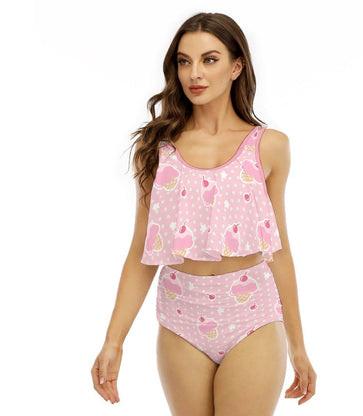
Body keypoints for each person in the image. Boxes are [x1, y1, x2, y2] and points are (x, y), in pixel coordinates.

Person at [91, 11, 316, 414]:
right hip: (181, 317)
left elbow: (278, 250)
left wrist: (298, 347)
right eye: (184, 61)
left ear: (237, 66)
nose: (194, 73)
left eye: (209, 59)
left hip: (252, 317)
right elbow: (142, 251)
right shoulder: (156, 148)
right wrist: (114, 340)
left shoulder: (269, 147)